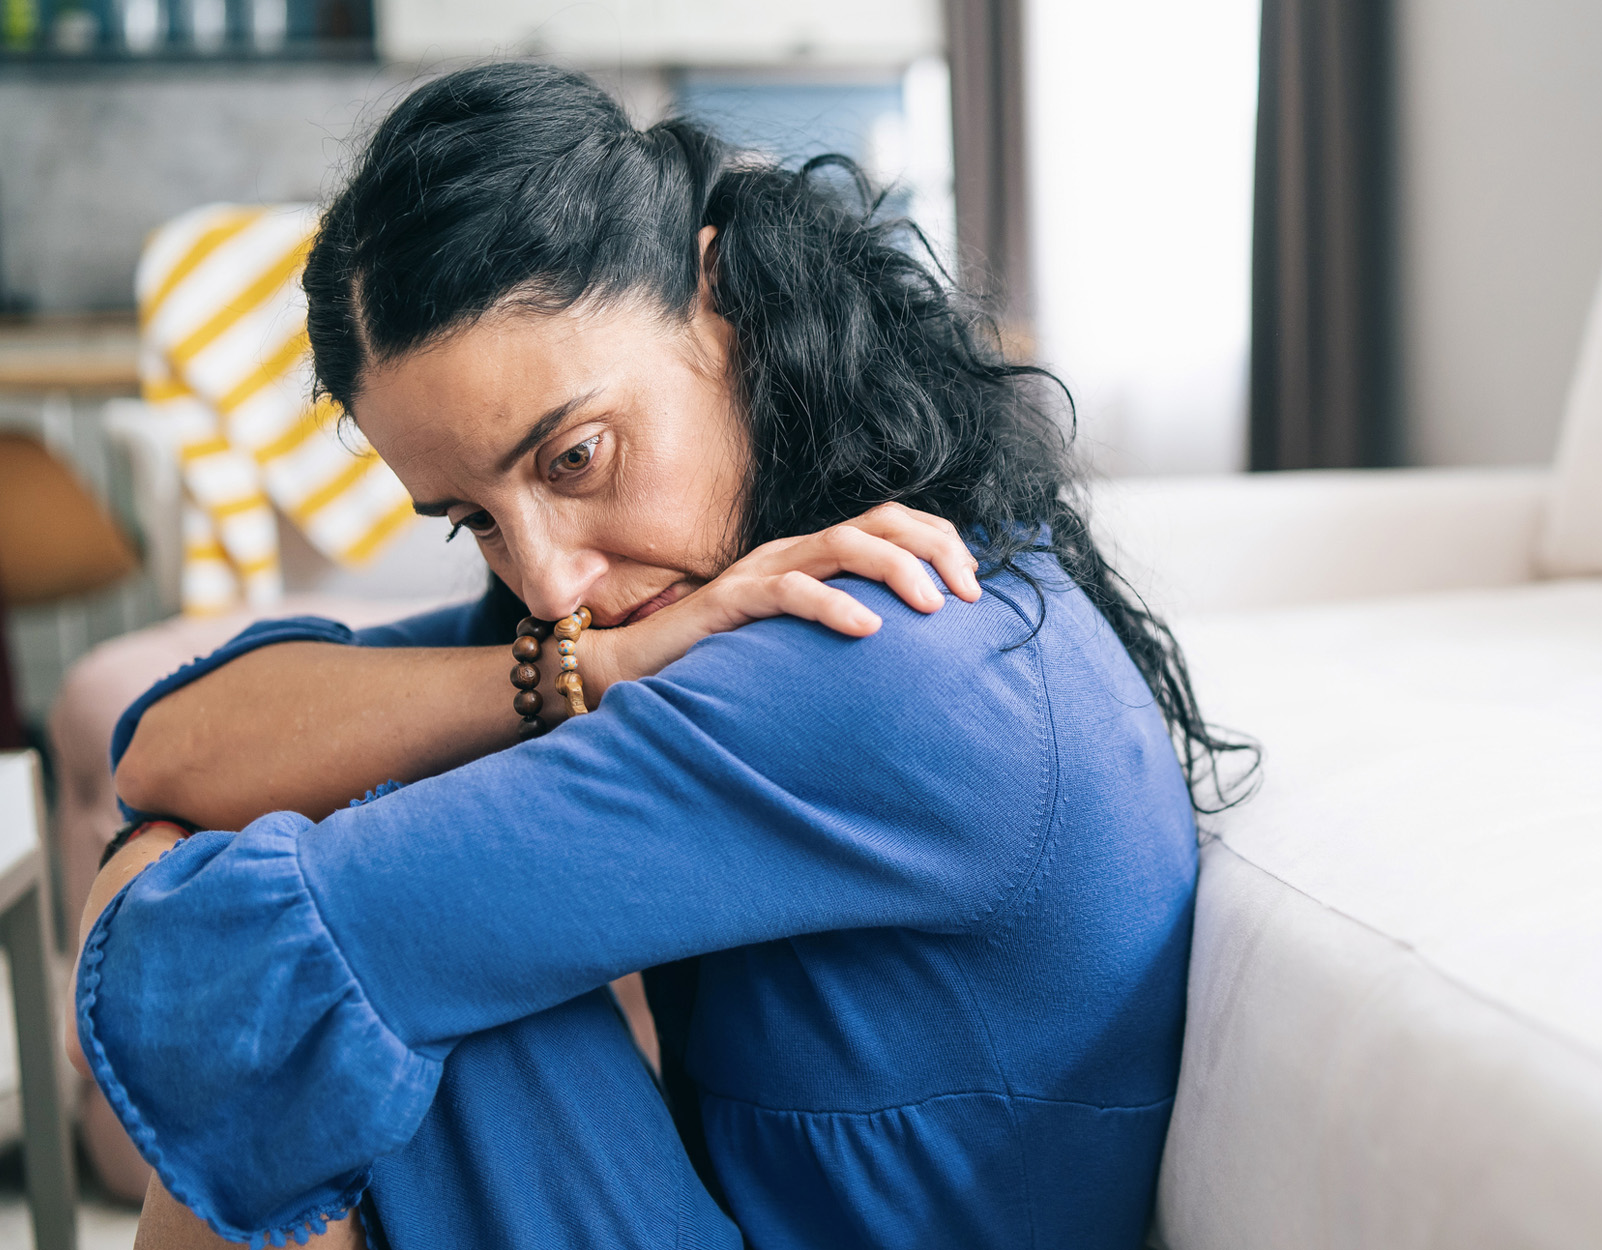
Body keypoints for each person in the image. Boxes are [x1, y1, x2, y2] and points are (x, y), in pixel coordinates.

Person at [68, 63, 1251, 1250]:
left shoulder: (874, 656)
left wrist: (151, 869)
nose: (546, 579)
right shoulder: (706, 598)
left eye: (575, 457)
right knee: (334, 924)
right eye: (472, 518)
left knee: (333, 1001)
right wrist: (583, 673)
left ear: (717, 298)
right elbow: (173, 745)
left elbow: (197, 978)